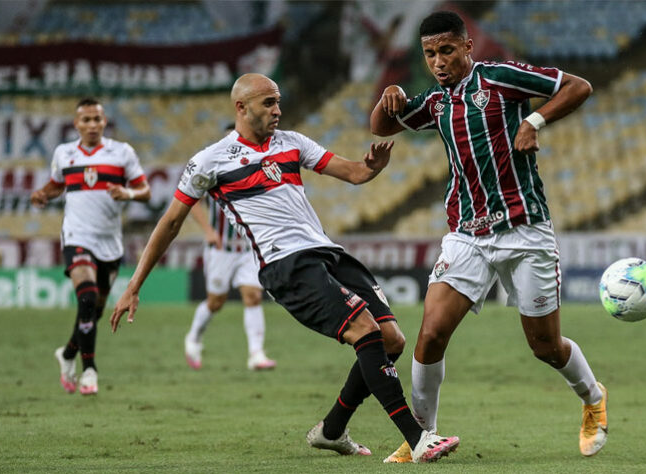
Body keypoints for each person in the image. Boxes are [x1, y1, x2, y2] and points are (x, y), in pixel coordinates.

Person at [110, 73, 459, 463]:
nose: (278, 110)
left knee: (392, 340)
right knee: (366, 330)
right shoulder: (210, 161)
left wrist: (373, 167)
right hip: (285, 264)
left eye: (278, 101)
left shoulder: (292, 143)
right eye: (268, 103)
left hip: (328, 252)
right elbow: (170, 223)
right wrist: (133, 285)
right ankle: (418, 439)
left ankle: (331, 430)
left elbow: (354, 173)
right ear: (241, 107)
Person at [370, 11, 608, 461]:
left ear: (466, 47)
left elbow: (579, 86)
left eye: (446, 51)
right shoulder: (436, 102)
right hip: (466, 235)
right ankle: (421, 435)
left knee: (545, 346)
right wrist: (391, 95)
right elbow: (381, 127)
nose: (438, 62)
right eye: (429, 54)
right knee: (430, 335)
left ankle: (593, 398)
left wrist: (533, 123)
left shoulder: (500, 78)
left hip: (525, 230)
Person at [31, 98, 151, 396]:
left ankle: (67, 354)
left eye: (97, 119)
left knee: (94, 312)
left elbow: (145, 191)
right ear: (76, 124)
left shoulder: (121, 153)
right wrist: (44, 193)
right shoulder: (64, 153)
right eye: (86, 120)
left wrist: (127, 193)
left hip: (109, 241)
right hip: (77, 235)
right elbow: (58, 184)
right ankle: (90, 371)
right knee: (87, 298)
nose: (93, 125)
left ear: (104, 121)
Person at [184, 124, 276, 371]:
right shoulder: (213, 166)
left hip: (247, 249)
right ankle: (193, 338)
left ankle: (256, 354)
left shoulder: (257, 167)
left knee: (253, 296)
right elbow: (192, 202)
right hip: (221, 249)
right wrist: (208, 231)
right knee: (216, 302)